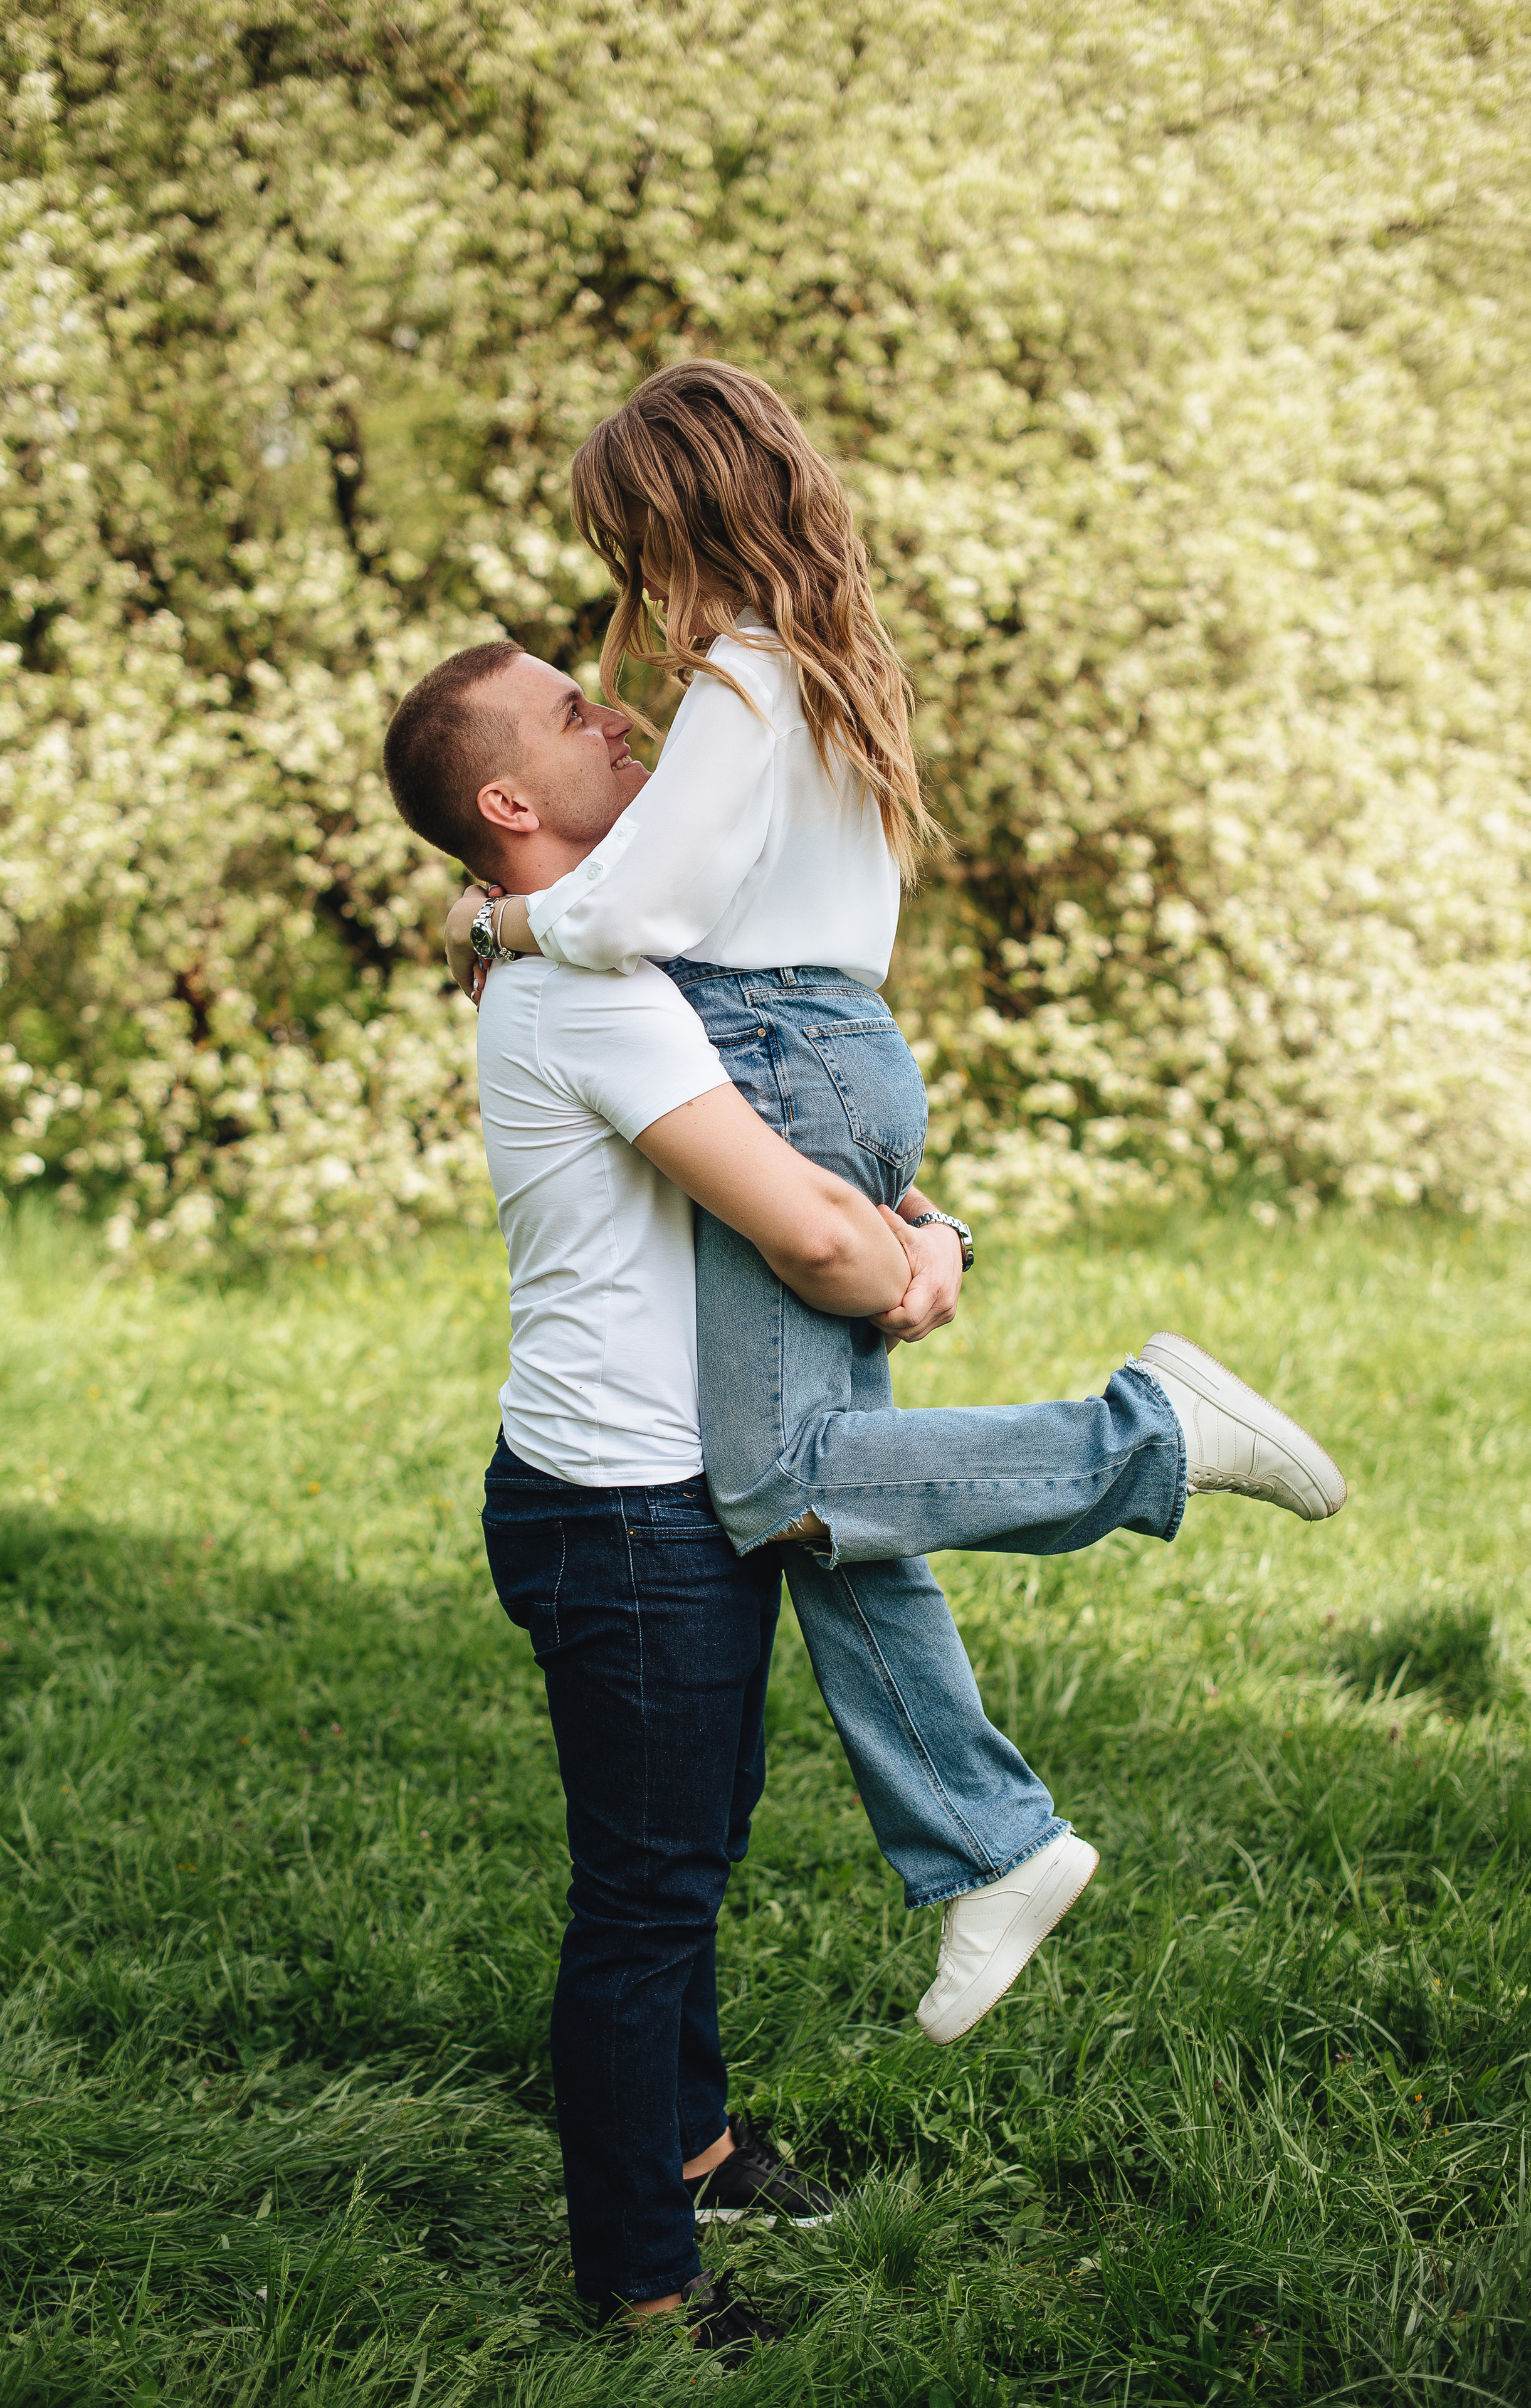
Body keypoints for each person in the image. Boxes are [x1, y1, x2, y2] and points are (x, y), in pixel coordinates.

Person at [381, 641, 1345, 2345]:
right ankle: (645, 2297)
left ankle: (694, 2149)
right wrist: (898, 1256)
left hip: (653, 1495)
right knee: (644, 1900)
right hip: (629, 1516)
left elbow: (803, 1135)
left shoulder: (605, 959)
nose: (616, 713)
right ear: (509, 803)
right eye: (569, 714)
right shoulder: (590, 994)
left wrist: (934, 1230)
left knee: (685, 1852)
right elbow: (812, 1229)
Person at [442, 361, 1345, 2025]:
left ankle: (1148, 1434)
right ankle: (991, 1839)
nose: (626, 609)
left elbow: (645, 904)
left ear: (669, 521)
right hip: (829, 1037)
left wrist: (501, 928)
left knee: (783, 1481)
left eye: (624, 545)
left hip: (772, 1040)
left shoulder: (742, 679)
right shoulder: (827, 668)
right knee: (835, 1515)